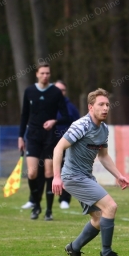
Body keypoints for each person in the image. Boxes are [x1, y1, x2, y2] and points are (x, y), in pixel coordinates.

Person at [52, 89, 129, 256]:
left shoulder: (103, 129)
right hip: (73, 177)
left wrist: (119, 176)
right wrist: (56, 177)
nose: (105, 108)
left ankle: (74, 247)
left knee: (97, 219)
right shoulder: (81, 125)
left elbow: (103, 156)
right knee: (110, 207)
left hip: (85, 176)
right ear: (90, 107)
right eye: (101, 105)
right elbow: (58, 148)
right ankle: (107, 253)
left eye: (107, 105)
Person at [18, 62, 69, 221]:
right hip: (32, 136)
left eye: (48, 73)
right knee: (32, 172)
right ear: (37, 74)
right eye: (42, 73)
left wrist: (54, 121)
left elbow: (66, 116)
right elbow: (24, 115)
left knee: (48, 172)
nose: (45, 75)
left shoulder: (55, 92)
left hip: (50, 137)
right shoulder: (29, 91)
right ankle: (36, 205)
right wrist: (21, 136)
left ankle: (48, 210)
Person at [54, 80, 81, 209]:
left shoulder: (71, 108)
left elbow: (79, 125)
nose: (60, 93)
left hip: (66, 145)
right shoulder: (47, 105)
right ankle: (35, 199)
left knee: (65, 171)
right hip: (48, 143)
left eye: (62, 90)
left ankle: (64, 199)